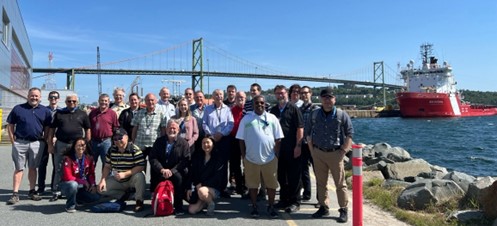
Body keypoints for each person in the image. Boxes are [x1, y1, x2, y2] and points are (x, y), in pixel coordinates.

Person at [305, 87, 354, 222]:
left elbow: (350, 133)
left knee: (340, 184)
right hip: (318, 153)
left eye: (330, 97)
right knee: (321, 183)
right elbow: (308, 133)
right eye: (325, 97)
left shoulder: (341, 115)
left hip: (336, 153)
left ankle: (343, 209)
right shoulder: (314, 114)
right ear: (321, 99)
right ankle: (323, 207)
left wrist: (343, 151)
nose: (327, 100)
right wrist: (312, 151)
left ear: (334, 99)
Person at [236, 95, 284, 218]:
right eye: (257, 103)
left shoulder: (272, 118)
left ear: (265, 104)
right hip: (251, 159)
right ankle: (254, 206)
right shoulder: (246, 119)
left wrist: (276, 156)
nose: (259, 105)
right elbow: (241, 139)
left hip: (270, 158)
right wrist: (244, 156)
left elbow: (278, 138)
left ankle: (271, 206)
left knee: (271, 185)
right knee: (252, 185)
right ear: (253, 105)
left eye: (262, 103)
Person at [6, 87, 52, 205]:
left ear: (40, 97)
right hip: (20, 142)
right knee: (19, 168)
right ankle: (15, 194)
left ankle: (32, 191)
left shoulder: (45, 111)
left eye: (36, 96)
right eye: (32, 95)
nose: (34, 98)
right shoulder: (18, 109)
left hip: (36, 143)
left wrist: (45, 139)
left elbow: (47, 126)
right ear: (28, 96)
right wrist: (12, 140)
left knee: (33, 168)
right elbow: (10, 124)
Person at [48, 93, 91, 202]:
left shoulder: (82, 114)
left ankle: (77, 189)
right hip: (61, 143)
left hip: (76, 145)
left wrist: (86, 142)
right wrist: (50, 144)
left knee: (78, 167)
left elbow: (87, 129)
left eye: (74, 101)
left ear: (77, 102)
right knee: (58, 167)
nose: (72, 103)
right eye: (69, 101)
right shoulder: (59, 113)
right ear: (65, 102)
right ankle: (56, 190)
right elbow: (52, 129)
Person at [270, 85, 304, 213]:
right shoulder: (273, 110)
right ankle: (284, 200)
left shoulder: (294, 108)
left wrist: (298, 146)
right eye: (277, 93)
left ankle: (295, 201)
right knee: (281, 175)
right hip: (279, 149)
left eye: (282, 93)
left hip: (292, 148)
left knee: (294, 176)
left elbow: (300, 128)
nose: (280, 96)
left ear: (287, 94)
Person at [97, 128, 146, 212]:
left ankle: (139, 201)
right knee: (101, 189)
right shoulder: (111, 150)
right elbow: (107, 166)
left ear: (126, 137)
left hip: (131, 178)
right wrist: (102, 180)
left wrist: (125, 174)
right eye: (115, 139)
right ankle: (123, 196)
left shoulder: (135, 149)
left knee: (140, 176)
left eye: (120, 138)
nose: (118, 140)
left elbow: (141, 166)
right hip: (117, 179)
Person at [149, 119, 190, 215]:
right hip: (161, 169)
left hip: (176, 170)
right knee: (155, 174)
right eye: (170, 128)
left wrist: (173, 170)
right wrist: (161, 169)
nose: (172, 130)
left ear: (178, 130)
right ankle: (158, 203)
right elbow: (153, 157)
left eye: (174, 128)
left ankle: (178, 206)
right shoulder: (159, 141)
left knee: (179, 178)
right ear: (166, 129)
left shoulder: (183, 143)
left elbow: (185, 161)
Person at [202, 89, 234, 196]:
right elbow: (204, 123)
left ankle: (222, 187)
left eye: (220, 94)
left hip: (224, 139)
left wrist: (221, 134)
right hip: (211, 139)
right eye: (216, 94)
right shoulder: (207, 109)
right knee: (211, 162)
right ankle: (211, 185)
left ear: (223, 96)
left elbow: (230, 124)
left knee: (223, 164)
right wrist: (211, 135)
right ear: (213, 96)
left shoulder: (228, 109)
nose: (219, 96)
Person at [186, 137, 224, 216]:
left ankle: (211, 204)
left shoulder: (218, 157)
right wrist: (189, 187)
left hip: (214, 188)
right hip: (200, 187)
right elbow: (192, 173)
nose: (206, 145)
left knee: (202, 190)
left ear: (213, 144)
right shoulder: (197, 156)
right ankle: (205, 201)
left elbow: (217, 178)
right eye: (203, 143)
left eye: (208, 142)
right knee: (191, 210)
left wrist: (203, 184)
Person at [60, 138, 100, 213]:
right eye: (78, 145)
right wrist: (83, 182)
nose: (81, 147)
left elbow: (91, 173)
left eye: (83, 145)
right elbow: (68, 177)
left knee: (96, 197)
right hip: (68, 185)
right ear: (74, 146)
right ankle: (70, 205)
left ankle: (78, 199)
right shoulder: (68, 159)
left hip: (83, 186)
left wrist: (93, 184)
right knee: (73, 185)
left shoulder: (89, 158)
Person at [299, 85, 320, 201]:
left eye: (306, 93)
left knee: (318, 172)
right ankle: (307, 194)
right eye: (302, 93)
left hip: (314, 145)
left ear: (310, 94)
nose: (304, 95)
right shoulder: (300, 109)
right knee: (304, 171)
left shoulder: (316, 109)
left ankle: (320, 198)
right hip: (303, 144)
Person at [131, 93, 167, 159]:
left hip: (155, 145)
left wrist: (162, 143)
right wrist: (133, 142)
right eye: (148, 100)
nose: (150, 102)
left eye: (152, 100)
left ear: (156, 101)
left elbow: (163, 129)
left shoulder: (161, 113)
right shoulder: (139, 113)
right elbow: (134, 129)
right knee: (139, 166)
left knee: (154, 166)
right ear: (145, 101)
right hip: (140, 145)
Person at [38, 90, 61, 194]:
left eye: (55, 97)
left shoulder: (62, 111)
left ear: (58, 99)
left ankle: (54, 186)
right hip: (44, 140)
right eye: (51, 97)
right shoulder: (43, 110)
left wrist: (56, 137)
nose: (53, 99)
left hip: (57, 140)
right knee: (42, 164)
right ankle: (41, 187)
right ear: (48, 99)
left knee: (56, 165)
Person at [89, 93, 119, 164]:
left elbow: (116, 128)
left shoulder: (112, 113)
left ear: (108, 102)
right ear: (99, 101)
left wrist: (115, 142)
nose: (104, 102)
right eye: (102, 100)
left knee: (107, 164)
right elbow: (88, 127)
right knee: (91, 164)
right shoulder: (92, 113)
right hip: (94, 142)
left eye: (106, 101)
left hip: (106, 142)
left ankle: (105, 176)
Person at [228, 91, 246, 195]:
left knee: (247, 164)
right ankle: (239, 187)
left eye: (242, 97)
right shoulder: (231, 110)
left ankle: (246, 185)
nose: (240, 98)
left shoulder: (248, 111)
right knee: (235, 165)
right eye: (238, 97)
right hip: (234, 139)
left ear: (245, 98)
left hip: (246, 140)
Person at [190, 90, 206, 156]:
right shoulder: (190, 108)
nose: (199, 98)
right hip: (193, 137)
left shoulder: (209, 108)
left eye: (200, 97)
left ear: (204, 98)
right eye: (197, 97)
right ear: (194, 98)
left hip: (205, 136)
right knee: (194, 155)